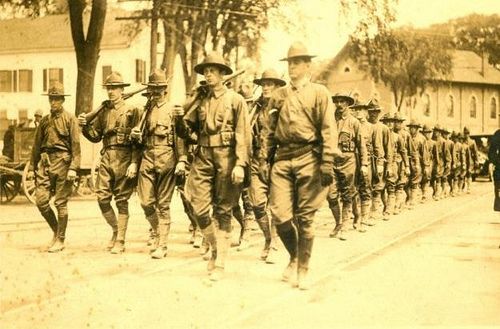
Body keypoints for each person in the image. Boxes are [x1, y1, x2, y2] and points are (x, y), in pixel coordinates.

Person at [259, 42, 338, 289]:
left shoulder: (319, 93)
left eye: (297, 62)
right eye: (290, 63)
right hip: (282, 160)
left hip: (308, 158)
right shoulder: (278, 96)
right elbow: (268, 132)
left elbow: (328, 129)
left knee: (305, 218)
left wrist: (326, 162)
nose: (293, 67)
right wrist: (264, 160)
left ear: (307, 65)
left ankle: (303, 267)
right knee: (280, 215)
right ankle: (293, 255)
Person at [174, 52, 251, 280]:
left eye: (212, 70)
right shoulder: (200, 100)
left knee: (224, 210)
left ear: (222, 73)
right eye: (205, 71)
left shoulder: (235, 100)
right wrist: (179, 118)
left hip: (227, 157)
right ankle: (215, 246)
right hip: (203, 155)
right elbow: (185, 133)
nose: (208, 74)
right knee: (196, 205)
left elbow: (243, 135)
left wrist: (240, 164)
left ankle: (221, 262)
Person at [78, 72, 141, 254]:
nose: (111, 91)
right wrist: (84, 126)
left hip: (124, 157)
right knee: (102, 198)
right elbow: (96, 137)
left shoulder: (132, 111)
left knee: (121, 200)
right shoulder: (103, 110)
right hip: (106, 156)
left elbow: (138, 142)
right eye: (109, 88)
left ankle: (120, 240)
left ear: (122, 89)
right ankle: (115, 230)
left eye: (115, 88)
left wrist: (134, 163)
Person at [130, 69, 188, 259]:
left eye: (158, 89)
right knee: (146, 201)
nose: (155, 93)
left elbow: (180, 137)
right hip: (147, 157)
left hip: (167, 157)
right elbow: (138, 141)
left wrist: (181, 160)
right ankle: (157, 231)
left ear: (164, 89)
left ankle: (162, 245)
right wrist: (135, 138)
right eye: (152, 89)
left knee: (163, 205)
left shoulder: (173, 110)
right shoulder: (145, 111)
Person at [28, 82, 81, 252]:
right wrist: (31, 167)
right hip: (45, 162)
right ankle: (57, 232)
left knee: (60, 202)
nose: (53, 102)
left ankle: (61, 240)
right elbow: (36, 146)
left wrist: (73, 167)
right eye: (51, 99)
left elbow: (76, 147)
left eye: (56, 99)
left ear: (62, 100)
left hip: (63, 163)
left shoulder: (70, 119)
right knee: (41, 201)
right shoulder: (44, 121)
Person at [247, 69, 286, 262]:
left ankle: (275, 244)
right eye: (263, 84)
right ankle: (268, 238)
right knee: (256, 204)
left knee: (277, 205)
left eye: (270, 84)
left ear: (278, 87)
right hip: (256, 159)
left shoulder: (284, 107)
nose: (265, 87)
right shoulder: (255, 107)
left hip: (276, 159)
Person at [328, 93, 368, 240]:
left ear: (348, 104)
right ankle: (338, 223)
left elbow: (361, 145)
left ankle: (345, 225)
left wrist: (364, 164)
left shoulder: (354, 122)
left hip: (348, 160)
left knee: (347, 194)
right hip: (332, 160)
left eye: (342, 102)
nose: (339, 104)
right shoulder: (329, 120)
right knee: (331, 195)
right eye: (336, 101)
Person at [366, 103, 393, 222]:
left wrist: (389, 166)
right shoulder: (364, 126)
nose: (373, 114)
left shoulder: (384, 128)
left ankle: (378, 211)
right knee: (368, 186)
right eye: (371, 111)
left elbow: (389, 149)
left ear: (379, 113)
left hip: (380, 162)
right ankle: (374, 210)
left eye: (376, 112)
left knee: (379, 187)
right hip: (368, 160)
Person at [407, 119, 423, 206]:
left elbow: (424, 153)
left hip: (417, 162)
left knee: (415, 180)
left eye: (414, 128)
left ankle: (413, 199)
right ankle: (408, 198)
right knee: (407, 181)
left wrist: (425, 165)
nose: (412, 129)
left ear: (417, 129)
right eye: (411, 128)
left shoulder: (421, 139)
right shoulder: (407, 136)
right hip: (408, 161)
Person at [420, 124, 434, 202]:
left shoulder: (432, 142)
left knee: (427, 178)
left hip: (429, 162)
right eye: (426, 133)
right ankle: (422, 192)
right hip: (421, 161)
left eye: (429, 133)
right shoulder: (422, 140)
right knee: (421, 177)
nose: (427, 134)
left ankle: (424, 194)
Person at [463, 126, 479, 193]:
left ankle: (469, 187)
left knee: (469, 173)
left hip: (470, 160)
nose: (466, 135)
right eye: (465, 133)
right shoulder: (462, 141)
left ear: (469, 134)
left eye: (467, 133)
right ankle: (462, 187)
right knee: (463, 173)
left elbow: (475, 152)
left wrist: (476, 161)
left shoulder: (472, 142)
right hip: (463, 159)